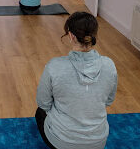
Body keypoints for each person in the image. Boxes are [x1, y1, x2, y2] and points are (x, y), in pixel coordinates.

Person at [36, 12, 118, 149]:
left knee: (39, 113)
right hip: (98, 143)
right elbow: (109, 101)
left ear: (71, 35)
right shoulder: (109, 65)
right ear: (94, 35)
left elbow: (43, 103)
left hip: (62, 142)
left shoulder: (54, 66)